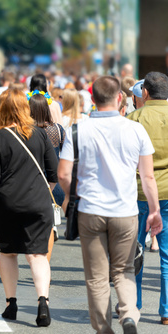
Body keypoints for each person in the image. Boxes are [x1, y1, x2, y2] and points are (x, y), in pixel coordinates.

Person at [58, 76, 163, 334]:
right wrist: (154, 210)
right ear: (120, 98)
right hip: (125, 211)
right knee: (124, 269)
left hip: (91, 210)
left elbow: (63, 174)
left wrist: (73, 196)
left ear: (92, 99)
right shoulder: (135, 129)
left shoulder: (78, 130)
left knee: (96, 275)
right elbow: (147, 176)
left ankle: (104, 328)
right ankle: (128, 315)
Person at [0, 88, 58, 327]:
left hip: (8, 204)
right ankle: (43, 301)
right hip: (39, 203)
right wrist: (44, 193)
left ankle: (10, 303)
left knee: (9, 253)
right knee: (38, 255)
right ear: (25, 108)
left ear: (1, 110)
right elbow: (53, 172)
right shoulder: (41, 134)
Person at [127, 71, 168, 326]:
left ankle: (134, 304)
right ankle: (166, 311)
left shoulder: (134, 119)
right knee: (167, 254)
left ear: (145, 92)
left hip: (139, 191)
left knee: (134, 252)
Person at [29, 93, 66, 257]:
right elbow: (65, 157)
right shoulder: (58, 129)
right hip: (54, 184)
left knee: (32, 226)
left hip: (32, 183)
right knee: (48, 225)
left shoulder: (27, 132)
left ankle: (35, 258)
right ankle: (45, 264)